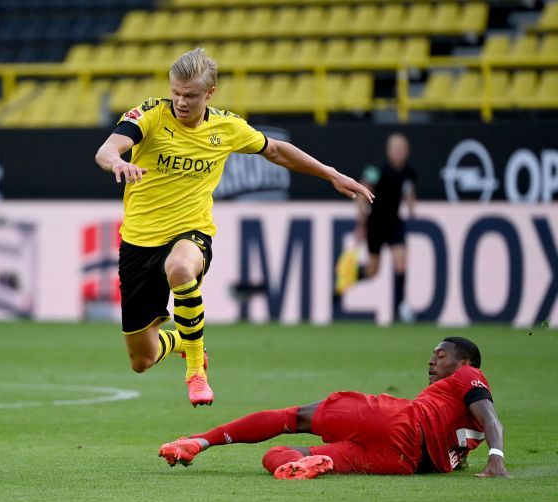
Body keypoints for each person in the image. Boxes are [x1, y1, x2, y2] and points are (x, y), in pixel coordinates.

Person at [95, 48, 374, 407]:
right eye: (176, 92)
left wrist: (332, 174)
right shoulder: (150, 115)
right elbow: (107, 149)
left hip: (191, 233)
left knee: (180, 268)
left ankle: (196, 371)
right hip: (137, 244)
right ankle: (184, 342)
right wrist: (116, 161)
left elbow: (276, 151)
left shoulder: (226, 127)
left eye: (191, 95)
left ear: (209, 93)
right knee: (141, 360)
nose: (181, 101)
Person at [159, 337, 509, 479]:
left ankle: (199, 441)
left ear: (464, 362)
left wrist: (496, 457)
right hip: (403, 462)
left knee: (291, 419)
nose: (432, 362)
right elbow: (463, 440)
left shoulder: (469, 375)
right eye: (433, 356)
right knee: (277, 456)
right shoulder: (457, 425)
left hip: (394, 420)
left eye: (441, 356)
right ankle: (310, 463)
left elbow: (490, 417)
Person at [336, 132, 417, 322]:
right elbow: (363, 190)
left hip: (395, 222)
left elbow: (410, 191)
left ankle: (400, 306)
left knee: (401, 261)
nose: (399, 153)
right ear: (389, 151)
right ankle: (346, 276)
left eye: (402, 149)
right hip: (376, 223)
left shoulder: (409, 171)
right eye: (396, 149)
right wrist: (361, 222)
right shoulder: (377, 169)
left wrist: (412, 203)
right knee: (373, 270)